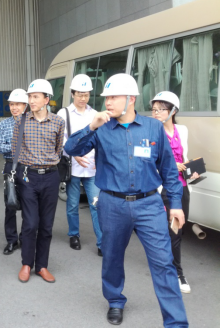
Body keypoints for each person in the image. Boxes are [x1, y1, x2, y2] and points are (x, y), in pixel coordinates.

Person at [64, 74, 188, 327]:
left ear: (130, 99)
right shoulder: (101, 128)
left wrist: (175, 204)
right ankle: (115, 301)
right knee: (111, 257)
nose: (107, 102)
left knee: (163, 263)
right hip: (112, 204)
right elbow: (71, 149)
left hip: (149, 205)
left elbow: (168, 169)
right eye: (106, 98)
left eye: (113, 97)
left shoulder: (153, 128)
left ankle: (176, 322)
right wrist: (91, 126)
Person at [12, 80, 64, 284]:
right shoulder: (21, 121)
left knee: (46, 225)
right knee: (30, 223)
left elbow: (59, 149)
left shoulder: (58, 122)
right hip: (28, 176)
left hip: (51, 176)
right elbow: (16, 149)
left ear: (46, 99)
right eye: (29, 97)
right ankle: (26, 263)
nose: (31, 100)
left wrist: (48, 163)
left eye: (35, 97)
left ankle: (42, 265)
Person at [151, 91, 198, 295]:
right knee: (170, 231)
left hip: (182, 186)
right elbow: (147, 162)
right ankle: (177, 273)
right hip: (162, 188)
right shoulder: (152, 132)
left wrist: (190, 170)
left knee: (178, 230)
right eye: (154, 109)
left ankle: (168, 262)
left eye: (161, 109)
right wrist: (170, 165)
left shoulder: (182, 130)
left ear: (173, 111)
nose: (156, 113)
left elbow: (184, 156)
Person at [57, 74, 102, 255]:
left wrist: (100, 159)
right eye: (80, 94)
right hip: (73, 168)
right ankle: (74, 235)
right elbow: (60, 140)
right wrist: (73, 154)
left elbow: (100, 139)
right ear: (72, 94)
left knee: (96, 205)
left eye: (86, 94)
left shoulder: (95, 114)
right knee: (73, 205)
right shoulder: (63, 114)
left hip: (92, 169)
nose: (83, 98)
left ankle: (102, 242)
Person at [0, 89, 28, 255]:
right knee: (10, 204)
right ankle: (11, 240)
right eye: (11, 104)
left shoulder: (31, 122)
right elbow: (1, 147)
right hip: (10, 167)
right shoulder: (4, 124)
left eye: (18, 104)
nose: (14, 107)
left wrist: (15, 147)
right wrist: (19, 147)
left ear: (25, 105)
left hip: (29, 167)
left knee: (29, 204)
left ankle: (25, 237)